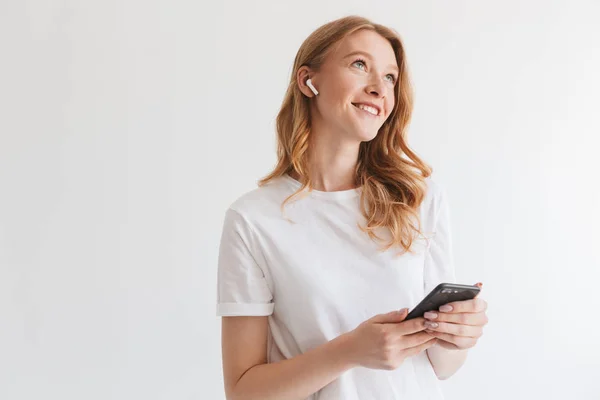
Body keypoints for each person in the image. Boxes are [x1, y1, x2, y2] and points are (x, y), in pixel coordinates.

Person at [215, 15, 488, 400]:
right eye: (360, 65)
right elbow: (243, 392)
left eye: (390, 77)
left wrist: (458, 336)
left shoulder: (419, 198)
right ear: (309, 81)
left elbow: (441, 368)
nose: (379, 88)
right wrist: (349, 351)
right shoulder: (253, 220)